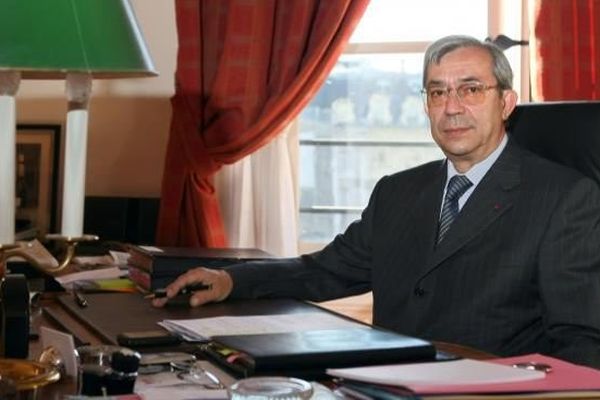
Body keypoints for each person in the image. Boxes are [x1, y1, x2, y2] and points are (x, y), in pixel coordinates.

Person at [154, 35, 600, 368]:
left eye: (470, 89)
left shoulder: (564, 198)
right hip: (381, 381)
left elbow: (579, 339)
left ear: (505, 103)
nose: (452, 107)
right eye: (437, 91)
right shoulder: (397, 191)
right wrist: (232, 281)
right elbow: (325, 270)